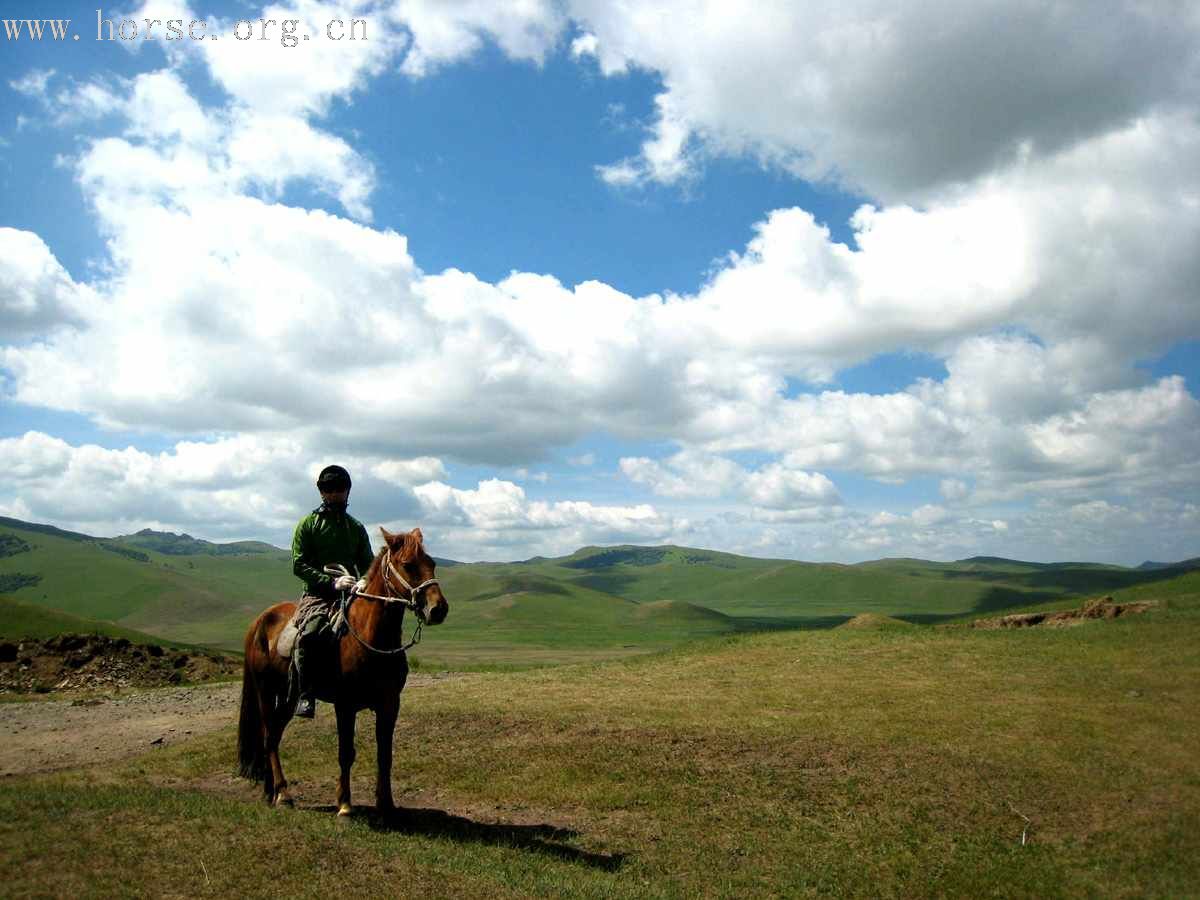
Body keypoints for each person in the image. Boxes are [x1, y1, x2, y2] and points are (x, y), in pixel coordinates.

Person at [290, 464, 374, 718]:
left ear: (348, 492)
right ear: (322, 492)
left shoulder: (356, 528)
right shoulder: (308, 524)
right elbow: (298, 564)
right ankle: (306, 695)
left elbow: (368, 563)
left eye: (340, 489)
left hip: (351, 593)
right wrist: (330, 583)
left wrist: (364, 581)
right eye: (329, 489)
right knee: (312, 633)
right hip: (318, 594)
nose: (335, 494)